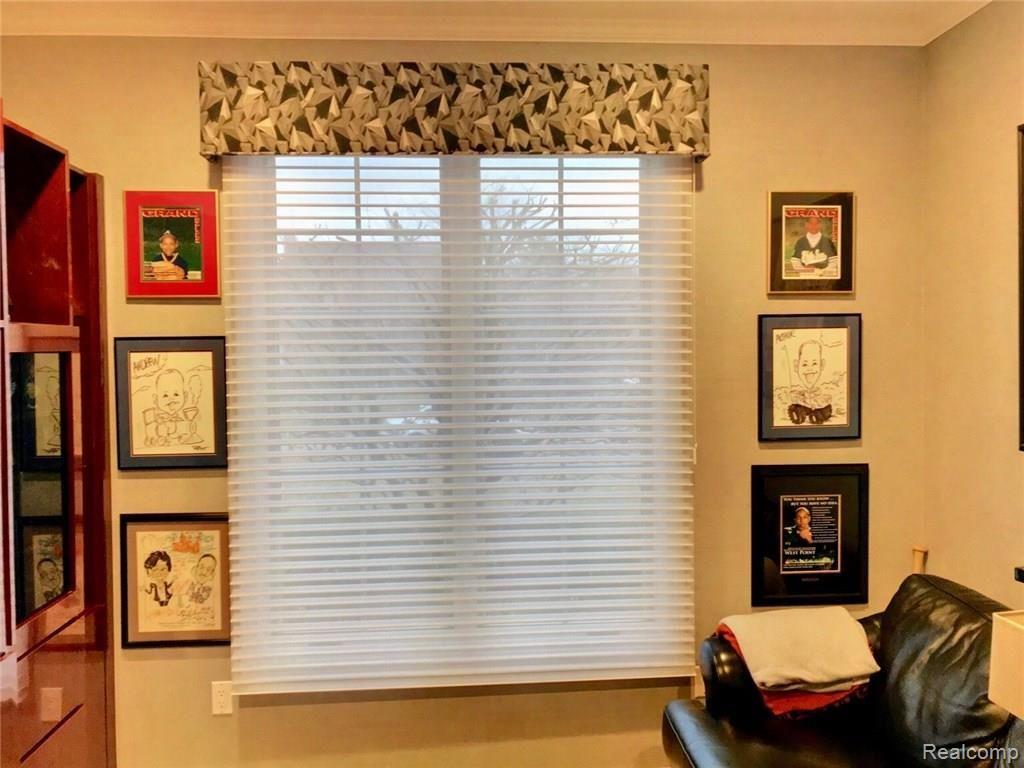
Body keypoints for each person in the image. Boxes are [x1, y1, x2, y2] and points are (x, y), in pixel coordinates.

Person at [787, 339, 833, 425]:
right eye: (804, 364)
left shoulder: (825, 389)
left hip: (819, 406)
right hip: (802, 405)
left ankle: (818, 415)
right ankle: (800, 415)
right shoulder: (795, 390)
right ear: (796, 366)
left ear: (822, 365)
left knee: (823, 409)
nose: (810, 369)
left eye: (814, 363)